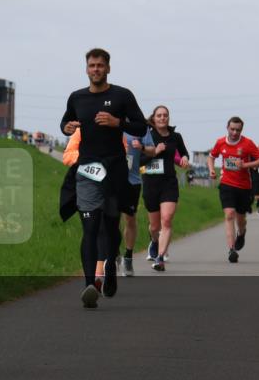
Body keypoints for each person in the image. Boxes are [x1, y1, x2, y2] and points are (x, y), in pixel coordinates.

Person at [61, 48, 147, 308]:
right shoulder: (77, 98)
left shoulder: (122, 95)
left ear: (108, 68)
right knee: (89, 227)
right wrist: (66, 127)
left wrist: (117, 122)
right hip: (87, 169)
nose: (96, 69)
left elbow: (141, 127)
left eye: (100, 65)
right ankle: (89, 285)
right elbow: (65, 122)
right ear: (86, 69)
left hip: (115, 170)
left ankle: (110, 268)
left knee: (110, 228)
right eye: (91, 65)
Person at [63, 127, 152, 282]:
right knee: (96, 228)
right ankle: (98, 275)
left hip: (112, 185)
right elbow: (67, 156)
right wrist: (88, 158)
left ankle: (110, 260)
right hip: (88, 186)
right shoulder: (82, 131)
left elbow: (124, 154)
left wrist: (109, 162)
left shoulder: (117, 133)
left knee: (111, 226)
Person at [207, 117, 259, 263]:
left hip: (244, 186)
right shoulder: (220, 142)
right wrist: (211, 170)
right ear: (227, 127)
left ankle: (242, 233)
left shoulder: (247, 143)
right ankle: (232, 249)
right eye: (232, 129)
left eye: (238, 130)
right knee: (229, 214)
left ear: (241, 130)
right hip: (226, 184)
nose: (234, 132)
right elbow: (211, 156)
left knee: (241, 219)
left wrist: (245, 165)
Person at [140, 105, 190, 272]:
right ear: (154, 118)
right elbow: (138, 160)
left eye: (165, 115)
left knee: (167, 219)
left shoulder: (175, 137)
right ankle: (154, 241)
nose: (162, 118)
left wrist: (184, 158)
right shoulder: (147, 136)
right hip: (150, 184)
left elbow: (184, 153)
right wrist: (154, 152)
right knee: (154, 227)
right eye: (159, 115)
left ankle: (160, 257)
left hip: (169, 183)